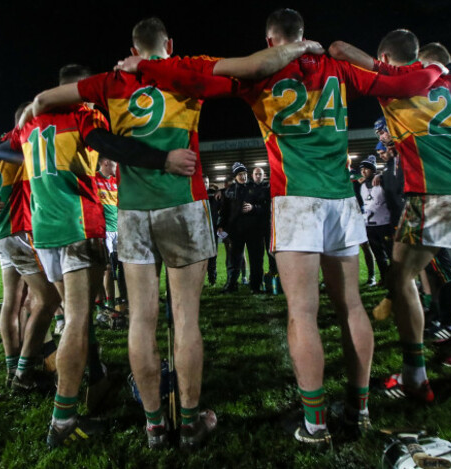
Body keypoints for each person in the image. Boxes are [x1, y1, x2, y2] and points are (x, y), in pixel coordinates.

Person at [122, 8, 446, 444]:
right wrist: (436, 67)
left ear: (272, 41)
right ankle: (358, 409)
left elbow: (192, 79)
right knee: (351, 306)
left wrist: (144, 66)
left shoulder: (259, 75)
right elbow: (401, 83)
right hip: (339, 198)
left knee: (302, 312)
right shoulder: (337, 67)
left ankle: (314, 423)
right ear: (301, 35)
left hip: (295, 201)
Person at [21, 18, 321, 449]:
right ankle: (193, 420)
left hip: (132, 212)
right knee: (185, 319)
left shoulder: (112, 80)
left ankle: (154, 426)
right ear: (170, 44)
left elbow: (44, 99)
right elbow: (256, 64)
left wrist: (32, 113)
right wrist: (302, 46)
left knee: (141, 321)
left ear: (134, 47)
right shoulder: (189, 68)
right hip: (183, 203)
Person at [330, 31, 451, 405]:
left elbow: (346, 53)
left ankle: (415, 375)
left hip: (431, 193)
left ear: (386, 55)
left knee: (400, 278)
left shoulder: (394, 84)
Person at [0, 104, 62, 393]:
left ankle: (12, 369)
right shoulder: (21, 139)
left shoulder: (0, 146)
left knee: (13, 302)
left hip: (2, 232)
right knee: (49, 299)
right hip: (19, 230)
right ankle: (24, 374)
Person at [217, 162, 265, 294]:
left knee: (256, 260)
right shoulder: (229, 191)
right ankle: (231, 285)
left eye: (244, 173)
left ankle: (256, 286)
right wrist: (221, 225)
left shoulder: (256, 188)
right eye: (240, 174)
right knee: (234, 260)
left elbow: (264, 208)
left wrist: (253, 208)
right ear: (235, 176)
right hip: (236, 232)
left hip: (255, 231)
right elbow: (225, 211)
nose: (243, 176)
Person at [359, 155, 393, 286]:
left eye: (367, 169)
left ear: (373, 170)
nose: (363, 171)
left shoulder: (382, 181)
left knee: (391, 254)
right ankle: (385, 279)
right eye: (362, 169)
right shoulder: (361, 186)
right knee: (379, 255)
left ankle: (396, 279)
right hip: (369, 226)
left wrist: (381, 175)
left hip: (384, 223)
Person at [94, 157, 119, 309]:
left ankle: (115, 301)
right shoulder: (94, 179)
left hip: (118, 229)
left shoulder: (116, 181)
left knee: (116, 267)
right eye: (115, 163)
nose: (117, 167)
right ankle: (104, 304)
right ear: (106, 162)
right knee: (105, 269)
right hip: (103, 230)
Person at [252, 167, 278, 288]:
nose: (258, 176)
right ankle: (257, 281)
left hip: (268, 224)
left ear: (264, 175)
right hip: (255, 226)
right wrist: (220, 191)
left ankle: (274, 277)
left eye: (260, 174)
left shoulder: (269, 187)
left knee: (271, 252)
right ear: (252, 175)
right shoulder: (248, 187)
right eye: (256, 174)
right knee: (257, 255)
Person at [204, 175, 220, 286]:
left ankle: (212, 279)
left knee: (213, 255)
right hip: (199, 231)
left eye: (206, 182)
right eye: (203, 182)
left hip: (212, 230)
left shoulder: (214, 195)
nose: (205, 184)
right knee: (200, 257)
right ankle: (199, 280)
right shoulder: (194, 195)